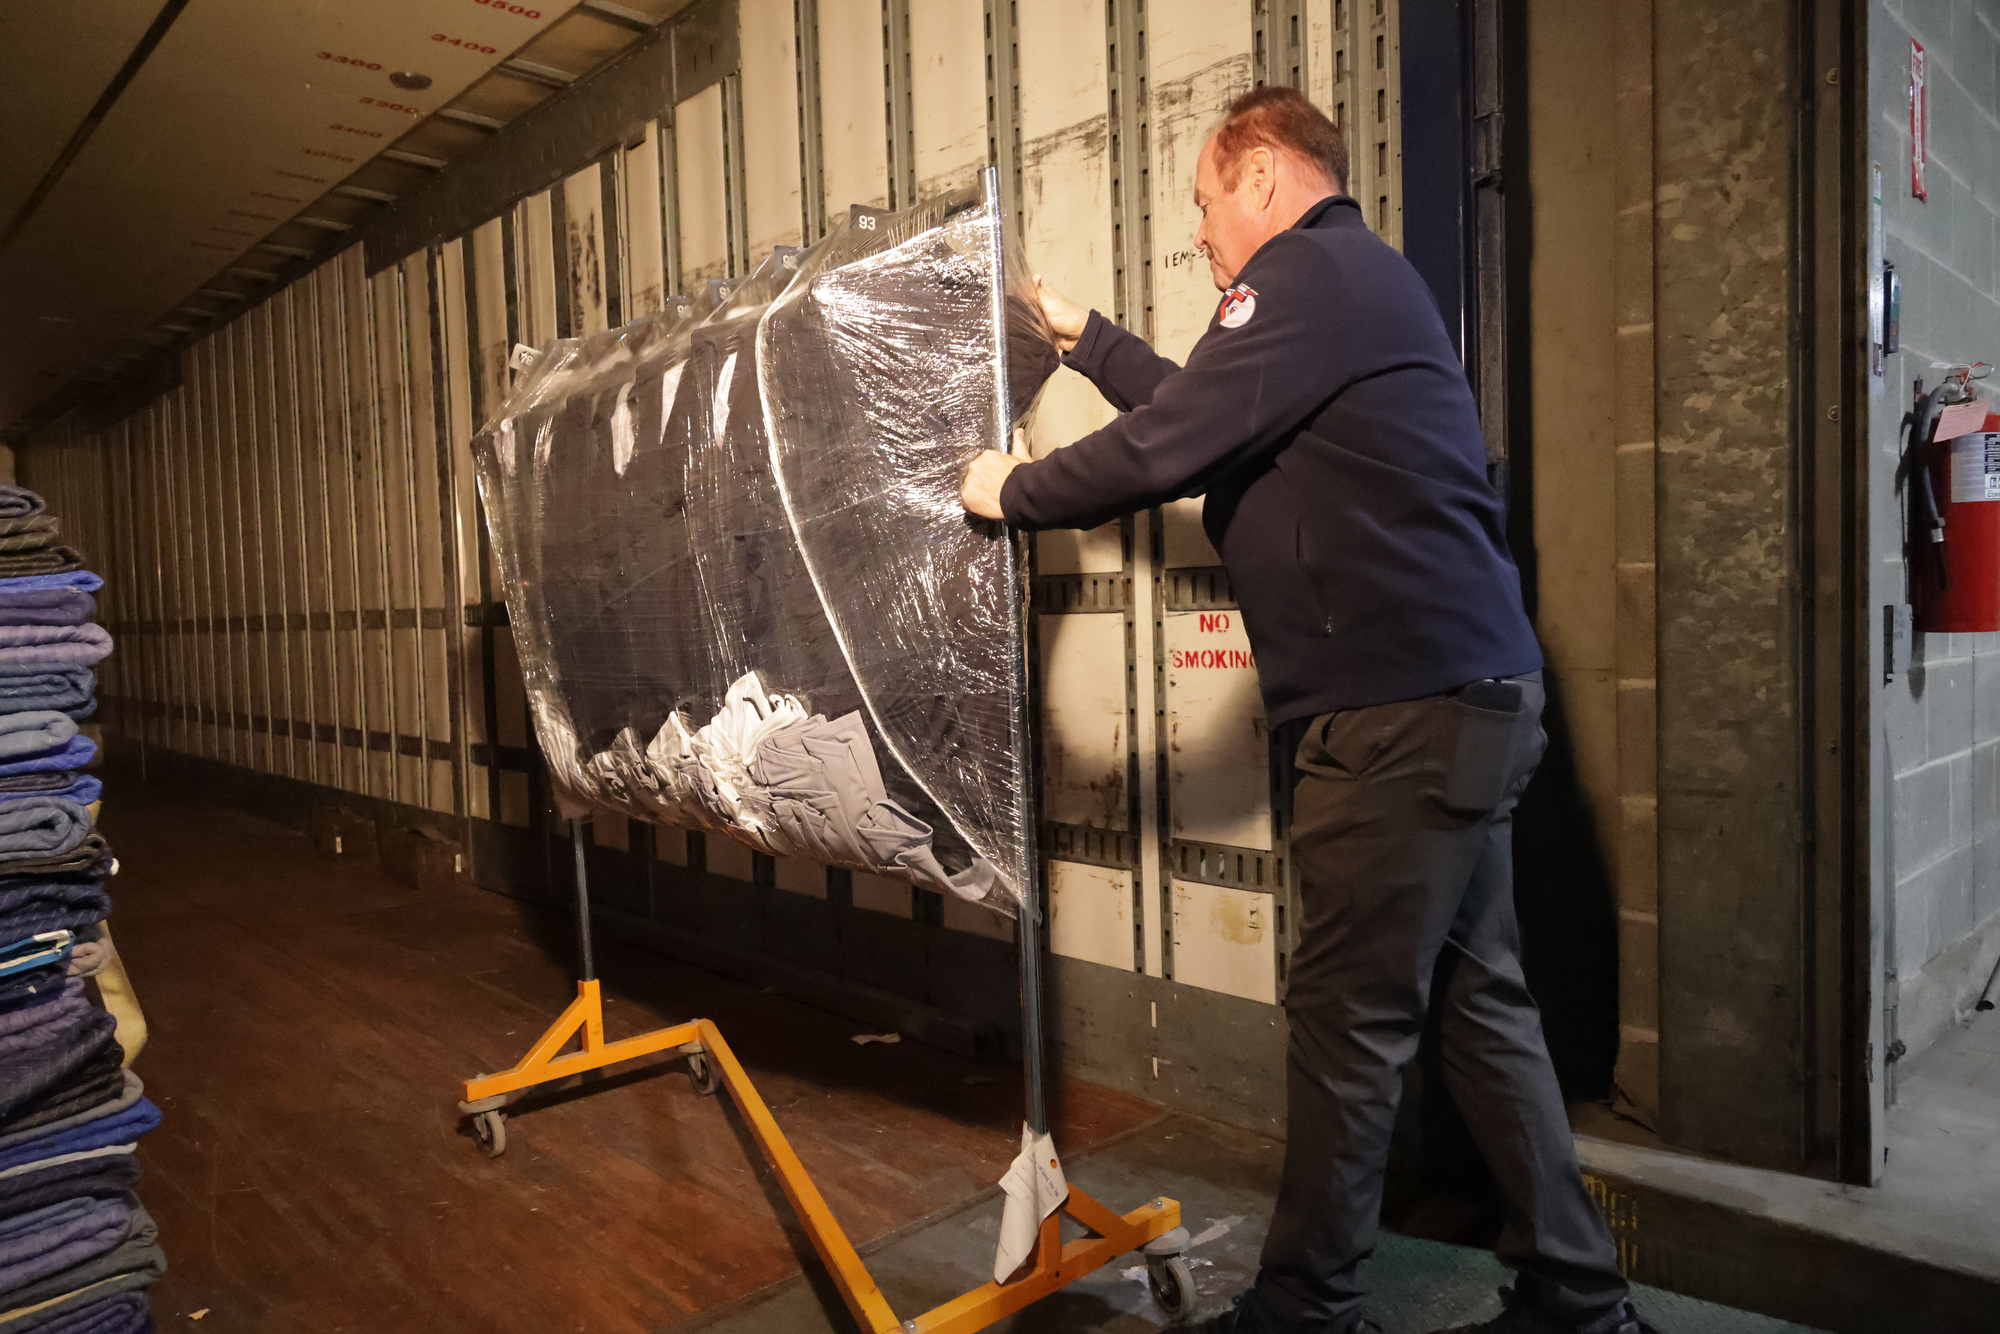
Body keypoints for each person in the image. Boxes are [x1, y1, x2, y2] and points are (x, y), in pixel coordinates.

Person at [960, 87, 1657, 1334]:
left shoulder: (1305, 278)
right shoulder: (1348, 290)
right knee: (1477, 1007)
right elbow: (1219, 423)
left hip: (1395, 722)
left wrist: (1009, 490)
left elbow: (1173, 442)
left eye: (1205, 202)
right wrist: (1085, 336)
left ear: (1267, 178)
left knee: (1346, 1024)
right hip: (1461, 703)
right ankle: (1576, 1296)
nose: (1199, 232)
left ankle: (1301, 1311)